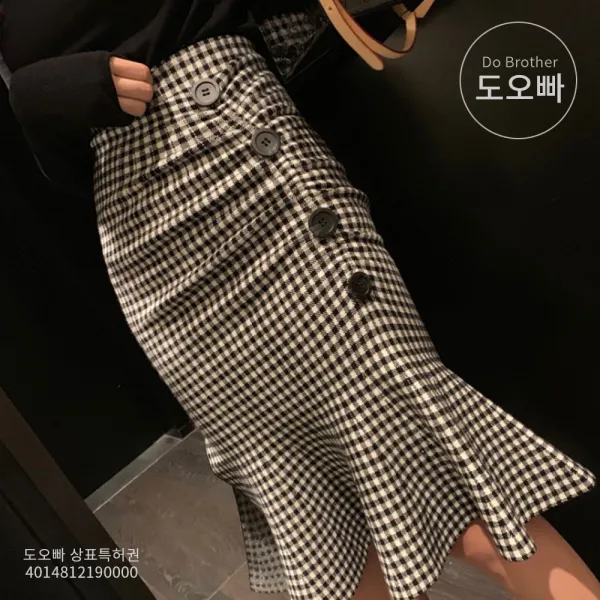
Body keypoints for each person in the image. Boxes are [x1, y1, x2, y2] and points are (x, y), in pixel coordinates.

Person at [2, 2, 599, 599]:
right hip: (145, 242)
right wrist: (36, 95)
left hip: (241, 159)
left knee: (457, 493)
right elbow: (59, 164)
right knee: (318, 525)